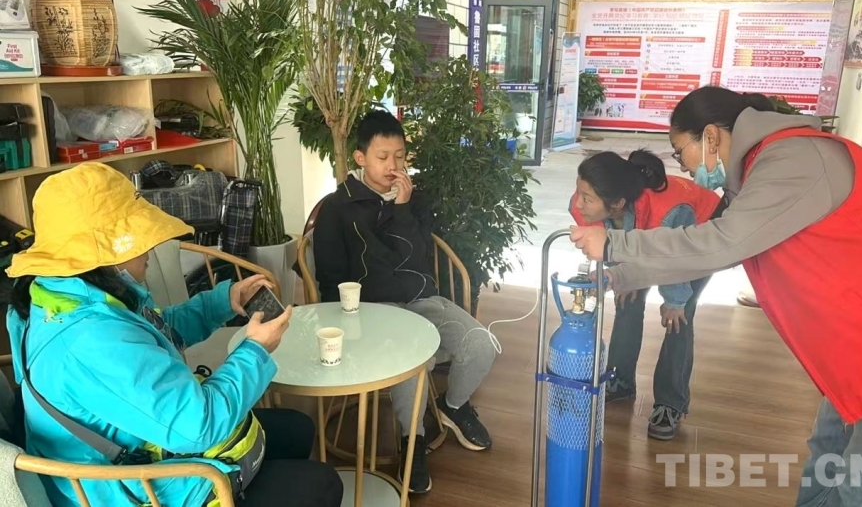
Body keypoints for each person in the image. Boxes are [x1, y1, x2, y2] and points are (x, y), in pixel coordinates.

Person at [569, 85, 862, 506]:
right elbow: (723, 252)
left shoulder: (794, 159)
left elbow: (720, 244)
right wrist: (620, 276)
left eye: (680, 153)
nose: (686, 169)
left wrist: (616, 246)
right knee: (828, 452)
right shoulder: (761, 170)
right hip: (860, 344)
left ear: (710, 137)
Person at [2, 163, 343, 507]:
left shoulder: (61, 297)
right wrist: (255, 350)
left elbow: (152, 332)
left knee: (297, 429)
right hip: (127, 489)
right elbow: (200, 426)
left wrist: (221, 302)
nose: (149, 250)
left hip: (137, 442)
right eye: (139, 240)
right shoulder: (90, 341)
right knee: (323, 484)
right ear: (104, 257)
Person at [313, 110, 496, 494]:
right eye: (383, 157)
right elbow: (329, 278)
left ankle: (453, 406)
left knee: (481, 343)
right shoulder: (338, 208)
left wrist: (401, 209)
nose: (392, 165)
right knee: (410, 357)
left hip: (421, 300)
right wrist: (340, 327)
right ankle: (412, 441)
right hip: (372, 311)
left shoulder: (413, 200)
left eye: (399, 156)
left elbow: (418, 259)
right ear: (361, 158)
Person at [570, 149, 721, 440]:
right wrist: (622, 275)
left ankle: (670, 402)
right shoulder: (590, 205)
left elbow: (678, 260)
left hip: (700, 238)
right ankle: (620, 380)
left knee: (679, 317)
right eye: (579, 192)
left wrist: (674, 300)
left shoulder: (670, 212)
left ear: (617, 203)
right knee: (628, 299)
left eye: (587, 198)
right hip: (653, 240)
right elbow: (606, 242)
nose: (578, 203)